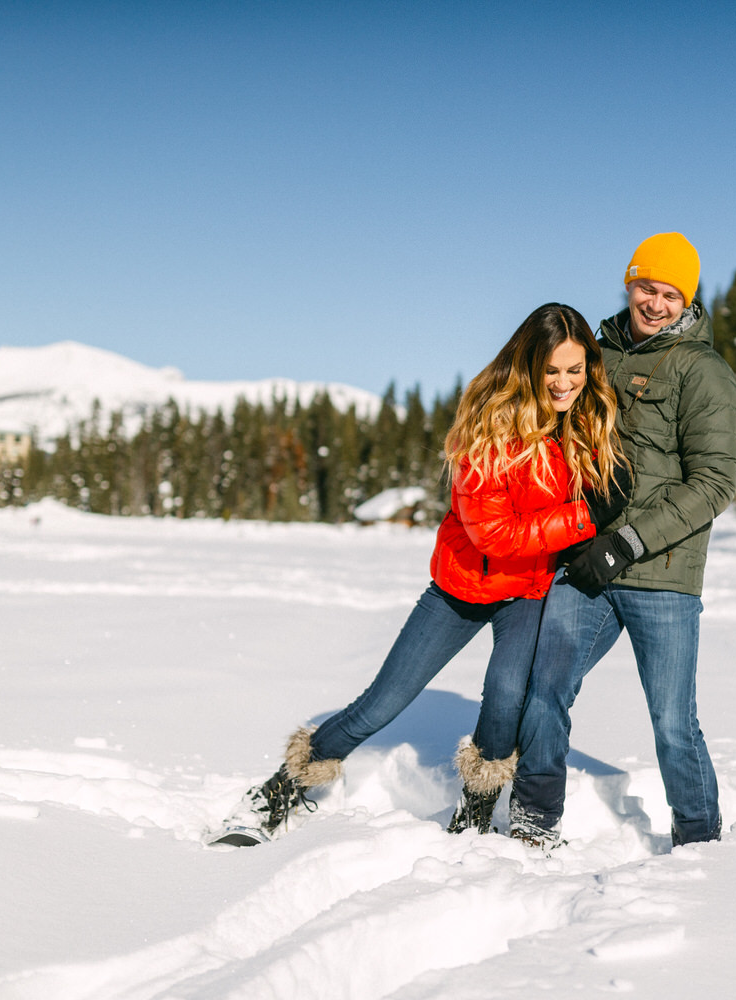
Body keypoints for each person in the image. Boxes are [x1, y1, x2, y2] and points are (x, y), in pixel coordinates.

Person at [211, 303, 629, 847]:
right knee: (384, 700)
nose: (564, 383)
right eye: (552, 370)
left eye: (576, 370)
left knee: (506, 696)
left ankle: (475, 812)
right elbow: (493, 535)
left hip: (528, 586)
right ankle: (284, 786)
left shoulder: (587, 424)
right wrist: (585, 516)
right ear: (528, 365)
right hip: (463, 585)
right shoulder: (487, 425)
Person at [509, 233, 736, 848]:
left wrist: (629, 542)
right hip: (586, 563)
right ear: (629, 282)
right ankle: (534, 818)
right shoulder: (599, 354)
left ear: (686, 300)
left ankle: (698, 839)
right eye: (647, 288)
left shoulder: (704, 372)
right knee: (545, 686)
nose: (656, 303)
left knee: (672, 722)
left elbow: (715, 482)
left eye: (671, 294)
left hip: (662, 575)